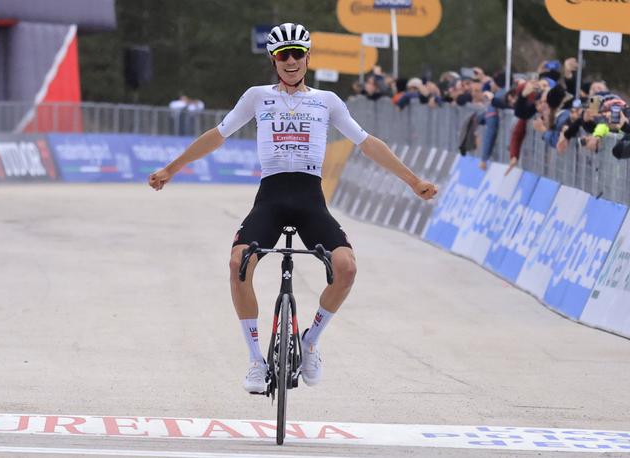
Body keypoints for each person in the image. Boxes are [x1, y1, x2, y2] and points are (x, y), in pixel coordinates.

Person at [148, 22, 438, 393]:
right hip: (270, 198)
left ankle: (311, 340)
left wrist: (413, 181)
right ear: (273, 59)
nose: (290, 61)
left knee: (346, 268)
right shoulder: (256, 97)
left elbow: (367, 143)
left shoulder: (327, 101)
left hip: (310, 199)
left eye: (297, 54)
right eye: (283, 55)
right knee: (238, 263)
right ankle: (256, 359)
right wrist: (172, 169)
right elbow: (217, 135)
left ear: (307, 58)